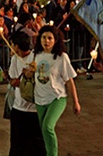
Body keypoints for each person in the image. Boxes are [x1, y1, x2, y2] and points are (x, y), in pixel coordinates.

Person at [25, 25, 80, 156]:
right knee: (43, 130)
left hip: (57, 97)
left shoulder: (61, 57)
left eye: (50, 38)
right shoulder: (35, 55)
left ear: (56, 40)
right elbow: (27, 75)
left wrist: (75, 102)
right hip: (39, 98)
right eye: (44, 37)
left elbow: (69, 80)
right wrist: (29, 71)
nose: (46, 41)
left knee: (47, 127)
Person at [8, 31, 45, 156]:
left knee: (37, 145)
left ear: (17, 45)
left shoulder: (37, 57)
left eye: (12, 44)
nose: (11, 47)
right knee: (17, 145)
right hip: (19, 108)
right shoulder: (14, 59)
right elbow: (14, 81)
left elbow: (44, 80)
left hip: (35, 109)